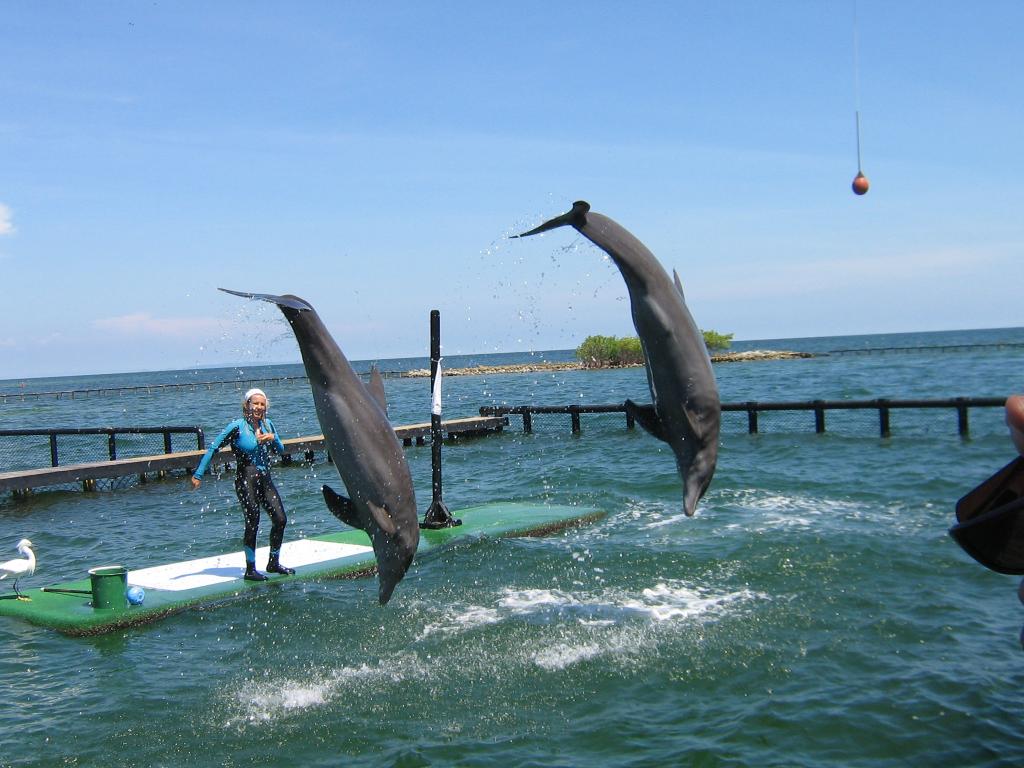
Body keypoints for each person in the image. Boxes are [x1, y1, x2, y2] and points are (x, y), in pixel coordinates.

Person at [190, 388, 295, 581]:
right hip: (245, 479)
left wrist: (273, 437)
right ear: (247, 405)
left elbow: (280, 450)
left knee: (280, 519)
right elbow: (213, 448)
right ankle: (250, 569)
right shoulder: (237, 427)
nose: (259, 407)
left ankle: (273, 562)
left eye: (262, 404)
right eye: (255, 403)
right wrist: (198, 474)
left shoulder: (268, 425)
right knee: (253, 521)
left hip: (265, 478)